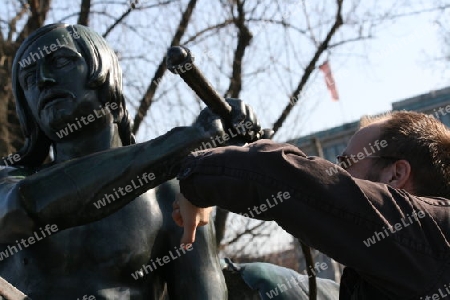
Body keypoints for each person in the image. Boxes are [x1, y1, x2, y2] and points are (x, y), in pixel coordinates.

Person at [0, 23, 262, 299]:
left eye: (60, 61)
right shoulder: (10, 181)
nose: (42, 79)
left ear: (105, 72)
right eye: (28, 79)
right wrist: (183, 144)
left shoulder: (171, 195)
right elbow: (25, 207)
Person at [173, 110, 450, 299]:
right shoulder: (418, 246)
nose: (336, 173)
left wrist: (194, 178)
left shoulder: (421, 232)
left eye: (346, 165)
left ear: (396, 174)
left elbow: (276, 174)